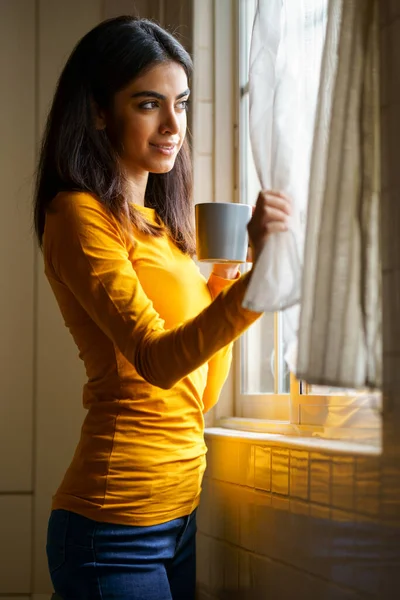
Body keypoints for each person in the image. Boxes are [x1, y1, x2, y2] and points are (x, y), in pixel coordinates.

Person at [34, 16, 291, 600]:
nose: (174, 125)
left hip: (178, 516)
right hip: (112, 527)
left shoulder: (163, 231)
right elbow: (154, 361)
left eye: (182, 102)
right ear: (99, 111)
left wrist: (227, 287)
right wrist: (258, 291)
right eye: (149, 104)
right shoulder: (77, 215)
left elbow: (198, 391)